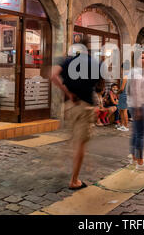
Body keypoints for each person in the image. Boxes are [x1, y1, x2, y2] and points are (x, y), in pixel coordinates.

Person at [50, 36, 102, 190]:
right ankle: (74, 180)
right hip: (85, 106)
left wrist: (67, 92)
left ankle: (62, 161)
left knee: (74, 137)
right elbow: (99, 86)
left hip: (69, 105)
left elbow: (53, 75)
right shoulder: (95, 63)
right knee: (80, 143)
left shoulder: (67, 61)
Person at [127, 50, 144, 171]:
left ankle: (133, 158)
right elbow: (135, 91)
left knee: (135, 133)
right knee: (141, 134)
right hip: (138, 105)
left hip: (139, 104)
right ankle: (140, 162)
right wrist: (138, 108)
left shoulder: (139, 72)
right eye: (142, 57)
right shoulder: (136, 73)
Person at [117, 60, 130, 132]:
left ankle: (125, 126)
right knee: (121, 110)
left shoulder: (125, 76)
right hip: (125, 94)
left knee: (124, 110)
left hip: (123, 94)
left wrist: (117, 92)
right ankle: (122, 125)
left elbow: (122, 88)